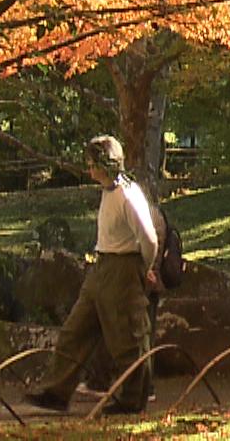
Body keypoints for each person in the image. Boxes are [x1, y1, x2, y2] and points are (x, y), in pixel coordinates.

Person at [26, 136, 160, 415]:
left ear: (105, 164)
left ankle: (131, 400)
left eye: (92, 164)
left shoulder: (128, 195)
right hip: (101, 265)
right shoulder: (108, 191)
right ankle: (56, 391)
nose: (88, 171)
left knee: (127, 336)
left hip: (123, 267)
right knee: (75, 329)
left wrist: (143, 269)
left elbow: (149, 239)